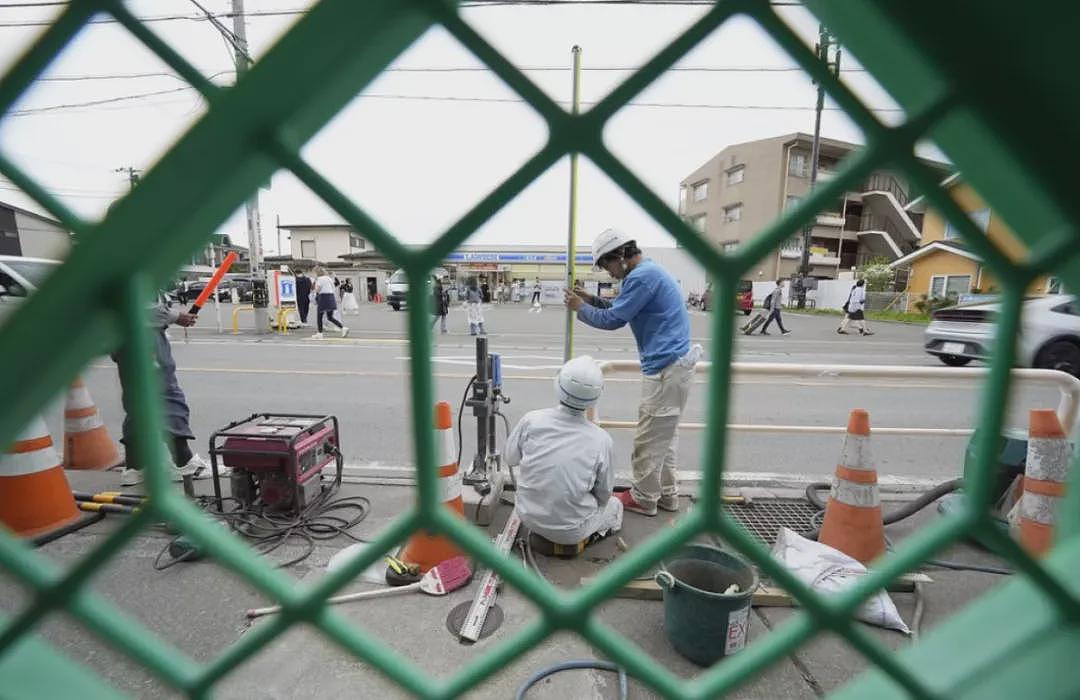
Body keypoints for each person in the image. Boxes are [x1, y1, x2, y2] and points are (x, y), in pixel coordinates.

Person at [564, 228, 702, 516]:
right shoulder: (646, 274)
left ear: (621, 256)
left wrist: (579, 308)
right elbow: (620, 308)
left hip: (666, 368)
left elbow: (614, 319)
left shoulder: (641, 277)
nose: (607, 272)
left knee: (649, 438)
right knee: (664, 438)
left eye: (606, 264)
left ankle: (644, 497)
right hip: (673, 366)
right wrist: (589, 300)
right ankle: (666, 495)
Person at [504, 356, 622, 551]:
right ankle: (580, 542)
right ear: (596, 396)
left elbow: (510, 458)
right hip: (571, 531)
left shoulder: (532, 420)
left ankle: (548, 540)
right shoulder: (602, 440)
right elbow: (603, 495)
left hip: (526, 516)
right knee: (615, 506)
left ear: (558, 384)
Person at [114, 291, 225, 486]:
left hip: (124, 339)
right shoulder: (133, 270)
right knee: (168, 397)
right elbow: (135, 307)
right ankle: (183, 463)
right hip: (144, 340)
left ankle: (135, 467)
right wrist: (175, 316)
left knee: (138, 405)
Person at [312, 267, 349, 339]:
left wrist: (315, 291)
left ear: (317, 273)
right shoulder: (328, 278)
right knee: (330, 317)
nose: (314, 275)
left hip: (323, 298)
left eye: (314, 273)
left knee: (319, 316)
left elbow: (318, 289)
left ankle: (320, 333)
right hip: (331, 297)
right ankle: (343, 328)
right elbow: (333, 288)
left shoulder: (320, 279)